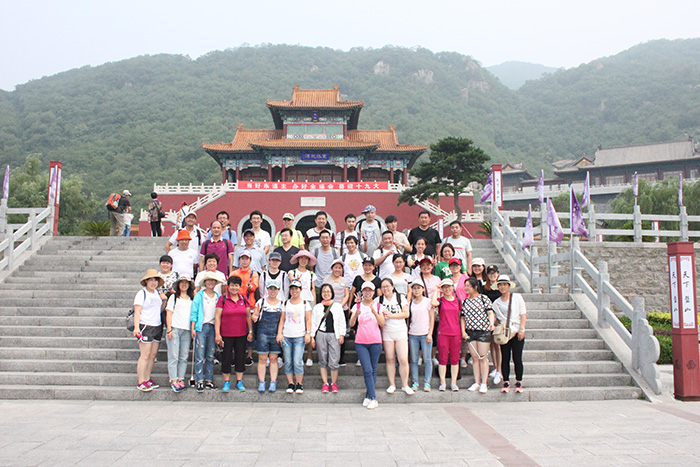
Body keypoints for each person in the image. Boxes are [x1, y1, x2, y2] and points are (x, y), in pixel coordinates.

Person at [350, 281, 386, 409]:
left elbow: (382, 323)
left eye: (370, 290)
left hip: (375, 341)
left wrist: (374, 312)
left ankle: (369, 396)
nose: (367, 293)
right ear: (362, 292)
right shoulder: (357, 306)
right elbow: (351, 324)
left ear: (374, 292)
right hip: (361, 342)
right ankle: (373, 397)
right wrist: (356, 313)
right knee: (367, 369)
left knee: (373, 369)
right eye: (365, 290)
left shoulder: (378, 306)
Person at [215, 275, 253, 392]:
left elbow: (248, 316)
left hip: (241, 333)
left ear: (240, 287)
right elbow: (217, 317)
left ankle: (239, 381)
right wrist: (217, 334)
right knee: (226, 358)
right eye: (232, 285)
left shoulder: (243, 299)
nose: (234, 288)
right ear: (228, 286)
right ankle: (226, 382)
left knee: (240, 357)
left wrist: (250, 331)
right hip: (226, 334)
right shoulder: (222, 299)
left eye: (236, 286)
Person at [378, 278, 413, 395]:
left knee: (403, 359)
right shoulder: (379, 300)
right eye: (383, 287)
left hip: (400, 331)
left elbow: (406, 313)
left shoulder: (400, 298)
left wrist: (391, 315)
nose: (385, 289)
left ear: (392, 287)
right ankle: (392, 384)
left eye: (387, 286)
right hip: (387, 332)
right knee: (390, 358)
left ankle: (405, 385)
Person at [460, 276, 495, 394]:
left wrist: (491, 323)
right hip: (470, 331)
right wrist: (463, 331)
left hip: (483, 331)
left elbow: (490, 312)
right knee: (475, 358)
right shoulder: (465, 301)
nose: (466, 288)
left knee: (482, 357)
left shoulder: (484, 298)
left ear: (475, 287)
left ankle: (484, 383)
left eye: (468, 286)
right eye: (465, 286)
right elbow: (463, 318)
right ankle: (477, 381)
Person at [492, 275, 527, 394]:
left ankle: (519, 381)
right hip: (504, 332)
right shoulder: (496, 303)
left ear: (508, 286)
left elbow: (523, 313)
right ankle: (506, 381)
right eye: (500, 285)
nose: (502, 287)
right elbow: (497, 319)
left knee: (517, 357)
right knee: (505, 357)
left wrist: (522, 329)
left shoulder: (517, 298)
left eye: (504, 285)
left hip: (516, 330)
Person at [190, 271, 224, 392]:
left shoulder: (218, 297)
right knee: (199, 354)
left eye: (213, 281)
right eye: (208, 280)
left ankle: (209, 380)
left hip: (213, 327)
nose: (210, 283)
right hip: (202, 326)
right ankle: (199, 380)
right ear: (205, 282)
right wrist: (193, 327)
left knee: (210, 355)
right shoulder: (199, 295)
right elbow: (194, 312)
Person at [132, 269, 165, 391]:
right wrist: (136, 327)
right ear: (146, 281)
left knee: (152, 355)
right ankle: (141, 381)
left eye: (155, 280)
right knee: (145, 355)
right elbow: (137, 311)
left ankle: (147, 378)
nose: (153, 282)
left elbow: (160, 309)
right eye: (150, 280)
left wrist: (164, 300)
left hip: (157, 325)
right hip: (145, 325)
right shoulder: (142, 293)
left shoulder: (157, 293)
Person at [277, 280, 312, 394]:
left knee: (297, 361)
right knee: (288, 361)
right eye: (292, 288)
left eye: (296, 288)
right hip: (287, 335)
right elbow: (282, 319)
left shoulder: (305, 303)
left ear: (300, 290)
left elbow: (308, 320)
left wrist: (308, 333)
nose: (294, 291)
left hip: (299, 336)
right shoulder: (285, 303)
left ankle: (299, 383)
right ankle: (290, 383)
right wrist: (279, 333)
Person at [311, 284, 346, 393]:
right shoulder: (317, 307)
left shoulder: (337, 306)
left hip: (334, 334)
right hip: (321, 334)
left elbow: (341, 321)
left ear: (332, 293)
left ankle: (334, 383)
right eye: (324, 291)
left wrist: (342, 334)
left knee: (334, 359)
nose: (326, 294)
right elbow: (313, 322)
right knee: (322, 359)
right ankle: (325, 383)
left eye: (328, 291)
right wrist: (312, 336)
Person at [252, 279, 284, 392]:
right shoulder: (261, 302)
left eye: (275, 289)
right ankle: (262, 382)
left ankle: (273, 382)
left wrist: (280, 333)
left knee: (274, 359)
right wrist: (254, 317)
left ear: (278, 290)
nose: (272, 291)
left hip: (275, 333)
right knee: (262, 359)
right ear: (267, 290)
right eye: (270, 289)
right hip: (263, 333)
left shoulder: (282, 304)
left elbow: (282, 320)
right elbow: (254, 314)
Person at [432, 278, 463, 392]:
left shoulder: (458, 300)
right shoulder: (440, 300)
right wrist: (437, 290)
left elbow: (460, 316)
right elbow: (433, 303)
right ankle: (443, 382)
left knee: (455, 358)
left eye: (449, 286)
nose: (447, 289)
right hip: (443, 333)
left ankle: (453, 382)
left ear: (452, 287)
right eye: (444, 287)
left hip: (456, 333)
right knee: (443, 358)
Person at [165, 274, 194, 393]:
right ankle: (173, 380)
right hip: (175, 328)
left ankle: (180, 378)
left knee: (183, 356)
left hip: (186, 330)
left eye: (186, 283)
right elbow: (169, 313)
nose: (184, 285)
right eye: (182, 282)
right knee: (174, 356)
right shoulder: (174, 297)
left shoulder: (192, 298)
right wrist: (169, 329)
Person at [289, 250, 317, 366]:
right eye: (301, 258)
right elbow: (291, 278)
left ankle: (309, 356)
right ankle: (298, 356)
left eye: (306, 258)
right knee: (297, 328)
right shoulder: (293, 272)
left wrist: (314, 304)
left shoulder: (311, 274)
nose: (303, 260)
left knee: (309, 329)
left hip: (308, 301)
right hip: (296, 302)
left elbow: (313, 290)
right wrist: (295, 280)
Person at [407, 280, 434, 392]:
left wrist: (430, 333)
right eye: (414, 288)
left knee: (427, 359)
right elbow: (409, 319)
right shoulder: (410, 303)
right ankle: (415, 382)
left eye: (419, 288)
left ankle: (427, 383)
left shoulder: (428, 302)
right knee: (414, 359)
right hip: (413, 334)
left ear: (423, 289)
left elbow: (432, 318)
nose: (416, 290)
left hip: (425, 333)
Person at [484, 264, 503, 385]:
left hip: (499, 318)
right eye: (490, 273)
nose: (492, 275)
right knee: (491, 344)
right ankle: (495, 367)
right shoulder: (484, 288)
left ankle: (499, 369)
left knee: (498, 345)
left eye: (494, 273)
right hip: (487, 318)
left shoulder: (501, 287)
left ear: (498, 274)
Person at [312, 230, 339, 300]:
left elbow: (338, 268)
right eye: (323, 238)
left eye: (327, 238)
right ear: (319, 239)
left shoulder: (334, 252)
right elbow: (311, 267)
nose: (325, 240)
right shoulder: (315, 251)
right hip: (318, 283)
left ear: (330, 239)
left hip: (332, 284)